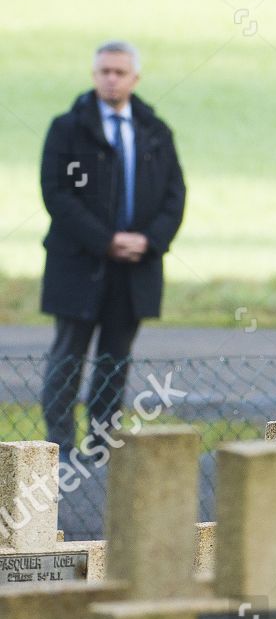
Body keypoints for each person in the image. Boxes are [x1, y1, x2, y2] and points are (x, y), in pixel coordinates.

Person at [39, 40, 186, 459]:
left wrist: (150, 240)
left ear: (134, 78)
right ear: (94, 75)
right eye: (104, 71)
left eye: (120, 72)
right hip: (78, 265)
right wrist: (106, 241)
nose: (111, 78)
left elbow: (175, 194)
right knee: (67, 356)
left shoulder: (155, 132)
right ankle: (59, 446)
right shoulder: (68, 128)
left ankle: (101, 445)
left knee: (115, 361)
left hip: (136, 268)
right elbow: (57, 193)